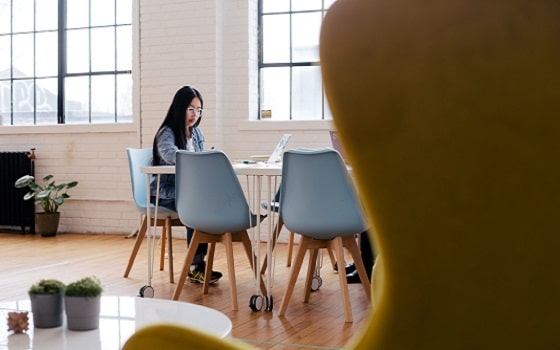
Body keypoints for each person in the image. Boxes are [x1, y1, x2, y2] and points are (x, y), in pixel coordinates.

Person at [150, 86, 222, 284]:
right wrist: (198, 160)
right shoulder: (167, 132)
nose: (195, 115)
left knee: (207, 202)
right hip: (165, 192)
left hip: (190, 191)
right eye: (191, 109)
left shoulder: (197, 133)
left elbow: (200, 159)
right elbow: (170, 155)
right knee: (196, 205)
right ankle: (196, 266)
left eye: (199, 110)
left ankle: (198, 264)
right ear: (179, 107)